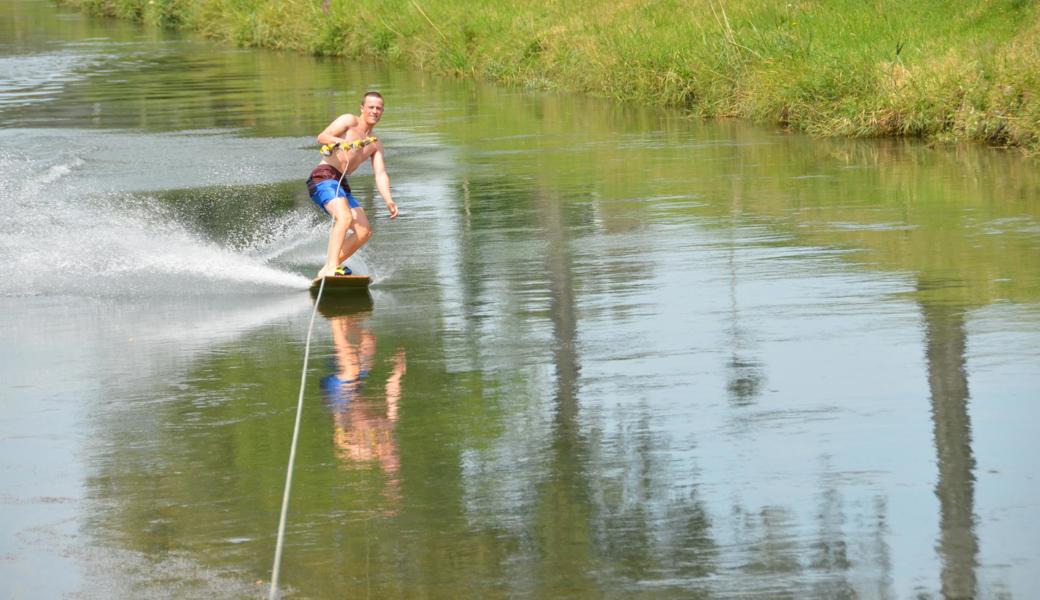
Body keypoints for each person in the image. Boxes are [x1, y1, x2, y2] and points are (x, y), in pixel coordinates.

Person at [306, 91, 399, 280]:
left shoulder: (375, 143)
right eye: (371, 107)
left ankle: (328, 268)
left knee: (364, 231)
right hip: (323, 177)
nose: (374, 111)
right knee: (344, 217)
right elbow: (322, 137)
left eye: (379, 108)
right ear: (362, 108)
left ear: (382, 111)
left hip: (341, 182)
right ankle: (332, 267)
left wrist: (389, 200)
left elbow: (380, 174)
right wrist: (341, 142)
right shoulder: (349, 121)